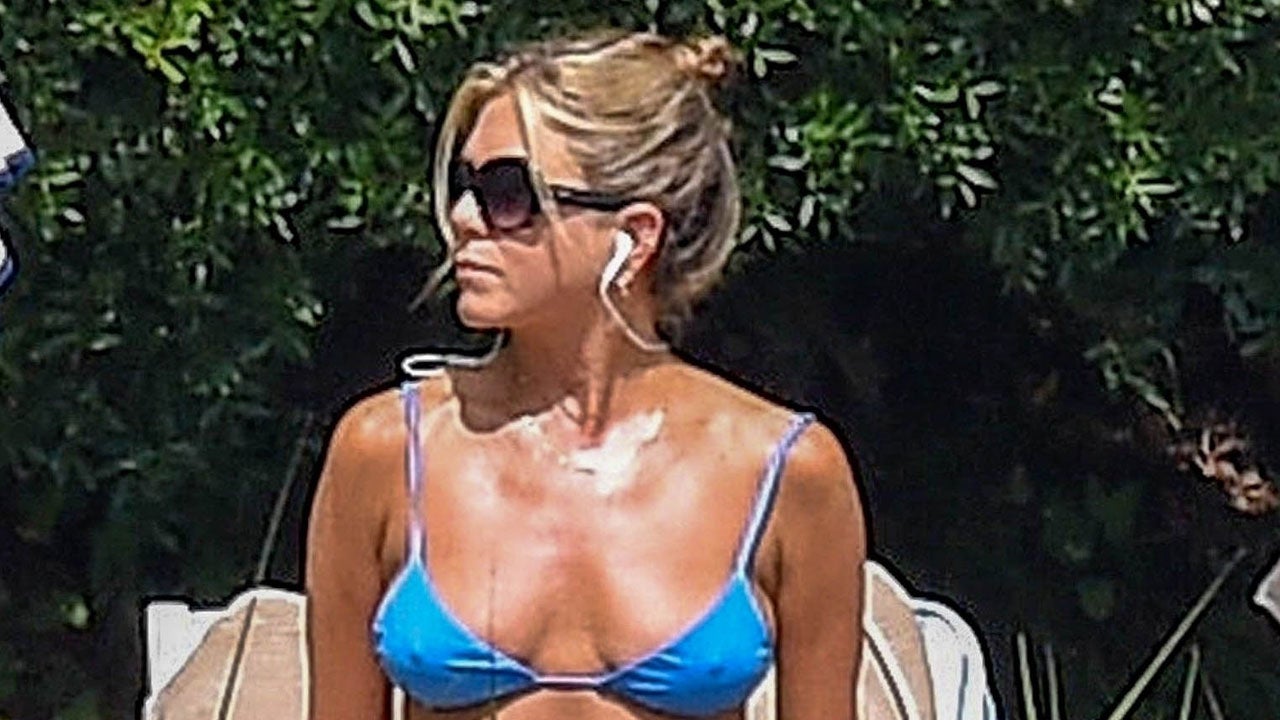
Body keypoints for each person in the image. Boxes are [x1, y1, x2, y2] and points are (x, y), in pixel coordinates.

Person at [305, 29, 867, 720]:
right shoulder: (386, 450)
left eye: (508, 192)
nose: (463, 218)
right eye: (464, 185)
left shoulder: (788, 472)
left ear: (634, 236)